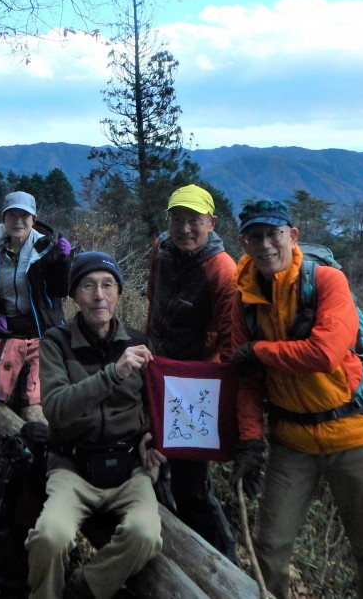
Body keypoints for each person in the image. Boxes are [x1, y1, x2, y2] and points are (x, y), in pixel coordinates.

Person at [228, 200, 363, 599]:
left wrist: (260, 351)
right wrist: (251, 441)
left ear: (292, 236)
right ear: (244, 242)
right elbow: (247, 379)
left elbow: (324, 354)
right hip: (292, 440)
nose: (266, 245)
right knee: (270, 545)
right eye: (256, 236)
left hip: (353, 432)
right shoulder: (243, 298)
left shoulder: (326, 281)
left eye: (274, 234)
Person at [26, 252, 165, 599]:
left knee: (146, 534)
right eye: (88, 285)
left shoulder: (139, 343)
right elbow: (56, 409)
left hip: (131, 468)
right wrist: (114, 373)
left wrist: (153, 436)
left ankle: (84, 589)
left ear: (118, 293)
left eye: (107, 285)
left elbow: (156, 408)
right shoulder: (56, 342)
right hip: (73, 466)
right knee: (50, 535)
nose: (98, 295)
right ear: (75, 295)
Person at [144, 184, 239, 561]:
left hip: (197, 385)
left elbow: (230, 341)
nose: (184, 229)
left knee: (192, 481)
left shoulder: (222, 269)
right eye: (177, 219)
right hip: (158, 372)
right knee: (156, 463)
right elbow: (153, 301)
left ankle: (223, 564)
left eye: (194, 221)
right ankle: (171, 547)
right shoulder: (161, 250)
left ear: (211, 223)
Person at [0, 190, 71, 339]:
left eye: (24, 215)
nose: (18, 221)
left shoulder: (47, 249)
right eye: (12, 215)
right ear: (4, 219)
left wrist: (64, 262)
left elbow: (61, 291)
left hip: (44, 327)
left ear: (34, 219)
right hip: (10, 329)